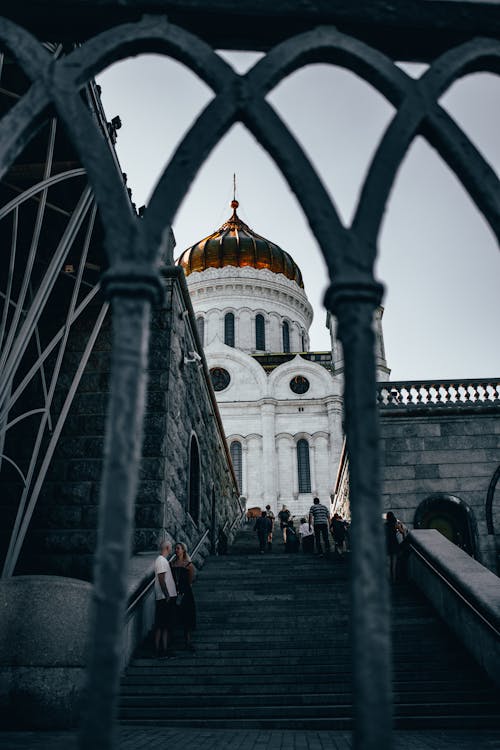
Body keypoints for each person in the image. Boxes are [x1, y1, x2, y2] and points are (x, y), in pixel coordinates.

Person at [172, 542, 197, 651]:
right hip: (174, 592)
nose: (176, 550)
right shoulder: (172, 564)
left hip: (185, 593)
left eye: (178, 548)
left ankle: (187, 641)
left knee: (187, 616)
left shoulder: (189, 565)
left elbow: (190, 580)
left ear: (183, 550)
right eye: (175, 548)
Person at [154, 540, 177, 658]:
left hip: (164, 598)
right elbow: (161, 579)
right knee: (163, 625)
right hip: (164, 598)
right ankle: (161, 650)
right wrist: (167, 594)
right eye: (171, 547)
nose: (172, 549)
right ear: (167, 547)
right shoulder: (161, 561)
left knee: (163, 625)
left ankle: (163, 649)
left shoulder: (163, 561)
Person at [385, 511, 405, 583]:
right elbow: (402, 531)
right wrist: (401, 525)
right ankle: (393, 580)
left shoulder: (385, 525)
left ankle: (388, 579)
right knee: (394, 564)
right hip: (394, 545)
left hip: (387, 545)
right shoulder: (395, 524)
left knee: (388, 564)